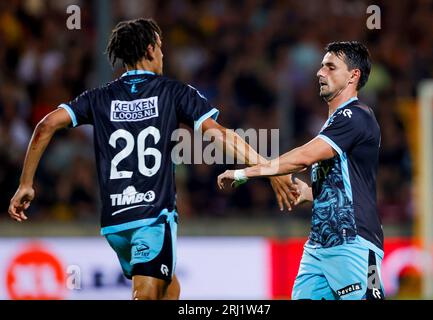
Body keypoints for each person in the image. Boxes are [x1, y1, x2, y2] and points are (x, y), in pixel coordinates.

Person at [8, 18, 299, 300]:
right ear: (149, 49)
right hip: (151, 218)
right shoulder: (173, 92)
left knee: (169, 289)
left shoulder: (98, 97)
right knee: (146, 295)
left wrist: (25, 184)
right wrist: (269, 168)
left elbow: (46, 125)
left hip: (115, 224)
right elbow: (220, 135)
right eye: (160, 46)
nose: (162, 53)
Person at [218, 41, 385, 300]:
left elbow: (304, 157)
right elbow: (345, 182)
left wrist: (246, 172)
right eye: (321, 67)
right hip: (318, 247)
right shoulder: (334, 123)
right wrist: (311, 193)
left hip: (354, 243)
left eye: (330, 67)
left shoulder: (357, 116)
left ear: (354, 75)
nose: (320, 73)